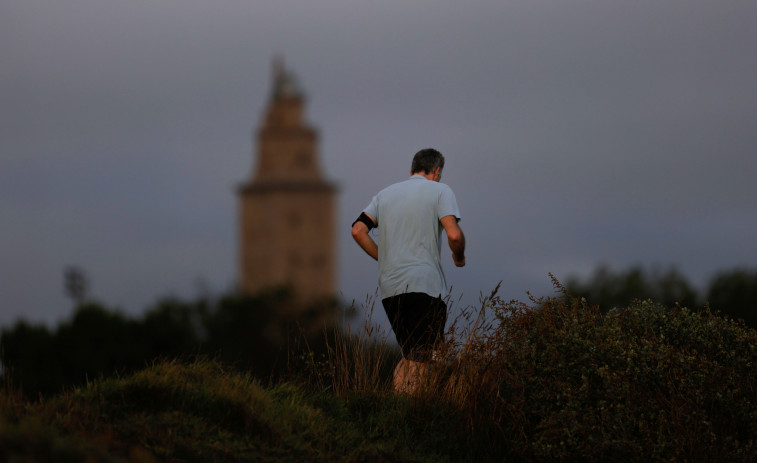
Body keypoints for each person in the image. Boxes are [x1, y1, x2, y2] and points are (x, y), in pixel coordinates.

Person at [351, 148, 466, 393]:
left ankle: (397, 412)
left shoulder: (384, 195)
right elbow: (454, 235)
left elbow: (358, 230)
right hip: (424, 286)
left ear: (411, 170)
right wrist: (459, 255)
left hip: (390, 288)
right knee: (424, 358)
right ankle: (411, 418)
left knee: (411, 354)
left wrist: (385, 258)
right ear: (437, 172)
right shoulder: (440, 191)